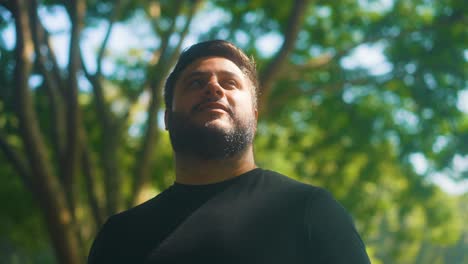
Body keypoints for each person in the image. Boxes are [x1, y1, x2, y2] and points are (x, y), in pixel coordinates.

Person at [88, 40, 371, 264]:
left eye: (230, 83)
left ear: (255, 116)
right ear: (167, 118)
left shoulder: (310, 211)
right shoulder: (120, 235)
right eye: (196, 83)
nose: (214, 88)